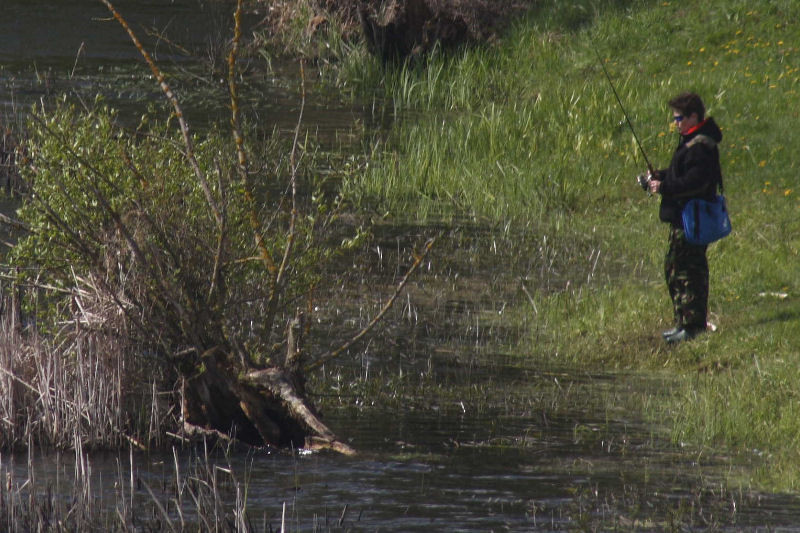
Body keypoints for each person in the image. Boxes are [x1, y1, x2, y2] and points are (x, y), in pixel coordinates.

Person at [644, 92, 723, 344]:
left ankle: (692, 327)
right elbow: (682, 173)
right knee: (675, 269)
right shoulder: (692, 142)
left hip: (692, 220)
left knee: (688, 272)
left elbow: (694, 182)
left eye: (679, 119)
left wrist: (664, 187)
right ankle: (683, 323)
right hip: (683, 219)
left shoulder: (701, 146)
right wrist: (660, 176)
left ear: (693, 117)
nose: (676, 123)